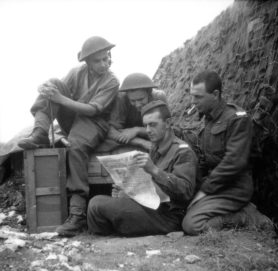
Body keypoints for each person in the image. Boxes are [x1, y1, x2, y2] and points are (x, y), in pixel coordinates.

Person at [18, 36, 119, 236]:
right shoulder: (77, 73)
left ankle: (77, 214)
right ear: (87, 62)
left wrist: (59, 98)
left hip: (95, 122)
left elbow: (91, 110)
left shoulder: (112, 81)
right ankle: (39, 133)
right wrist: (46, 90)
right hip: (75, 117)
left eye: (106, 58)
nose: (103, 64)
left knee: (75, 146)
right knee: (53, 84)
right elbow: (55, 94)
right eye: (97, 60)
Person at [87, 100, 198, 236]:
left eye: (153, 125)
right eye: (145, 125)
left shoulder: (183, 151)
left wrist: (155, 171)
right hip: (150, 206)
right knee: (97, 201)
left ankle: (107, 235)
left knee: (96, 206)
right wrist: (127, 190)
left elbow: (185, 191)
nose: (148, 130)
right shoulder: (156, 148)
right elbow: (149, 186)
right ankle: (111, 233)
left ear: (168, 123)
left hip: (167, 216)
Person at [182, 70, 273, 235]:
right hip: (214, 183)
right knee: (180, 207)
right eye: (192, 95)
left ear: (215, 94)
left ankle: (248, 216)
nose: (193, 101)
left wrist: (204, 190)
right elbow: (204, 158)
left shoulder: (237, 119)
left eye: (198, 97)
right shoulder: (208, 119)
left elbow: (234, 162)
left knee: (192, 225)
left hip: (234, 188)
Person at [106, 73, 167, 151]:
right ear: (127, 95)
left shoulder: (159, 97)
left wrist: (137, 130)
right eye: (133, 101)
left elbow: (164, 128)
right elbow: (111, 131)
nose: (138, 105)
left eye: (141, 99)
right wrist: (141, 142)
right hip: (129, 139)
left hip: (149, 134)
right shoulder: (121, 99)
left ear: (149, 93)